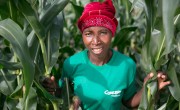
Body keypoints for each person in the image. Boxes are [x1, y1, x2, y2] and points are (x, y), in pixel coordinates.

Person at [42, 0, 171, 109]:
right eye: (89, 34)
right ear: (82, 36)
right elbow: (63, 93)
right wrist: (53, 89)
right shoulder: (71, 64)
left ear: (112, 33)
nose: (96, 41)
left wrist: (149, 88)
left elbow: (129, 101)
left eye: (103, 32)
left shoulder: (126, 65)